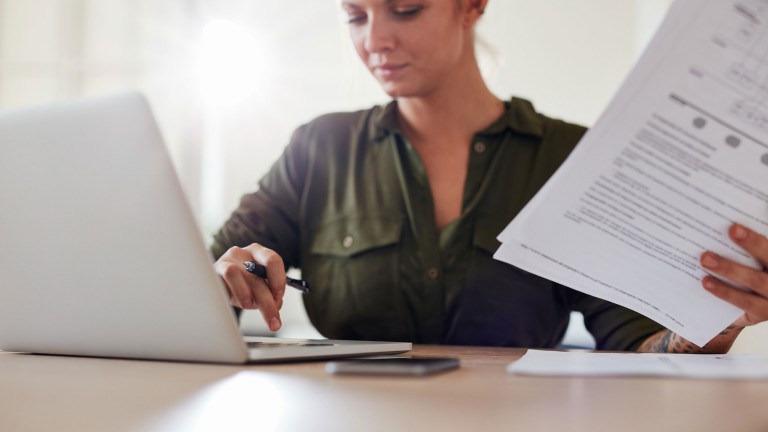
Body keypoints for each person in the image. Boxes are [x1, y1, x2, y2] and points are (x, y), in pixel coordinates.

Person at [210, 0, 768, 352]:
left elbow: (636, 340)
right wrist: (224, 274)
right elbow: (205, 283)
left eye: (405, 9)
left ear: (472, 5)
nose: (374, 39)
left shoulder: (565, 154)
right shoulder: (319, 147)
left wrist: (710, 326)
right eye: (355, 15)